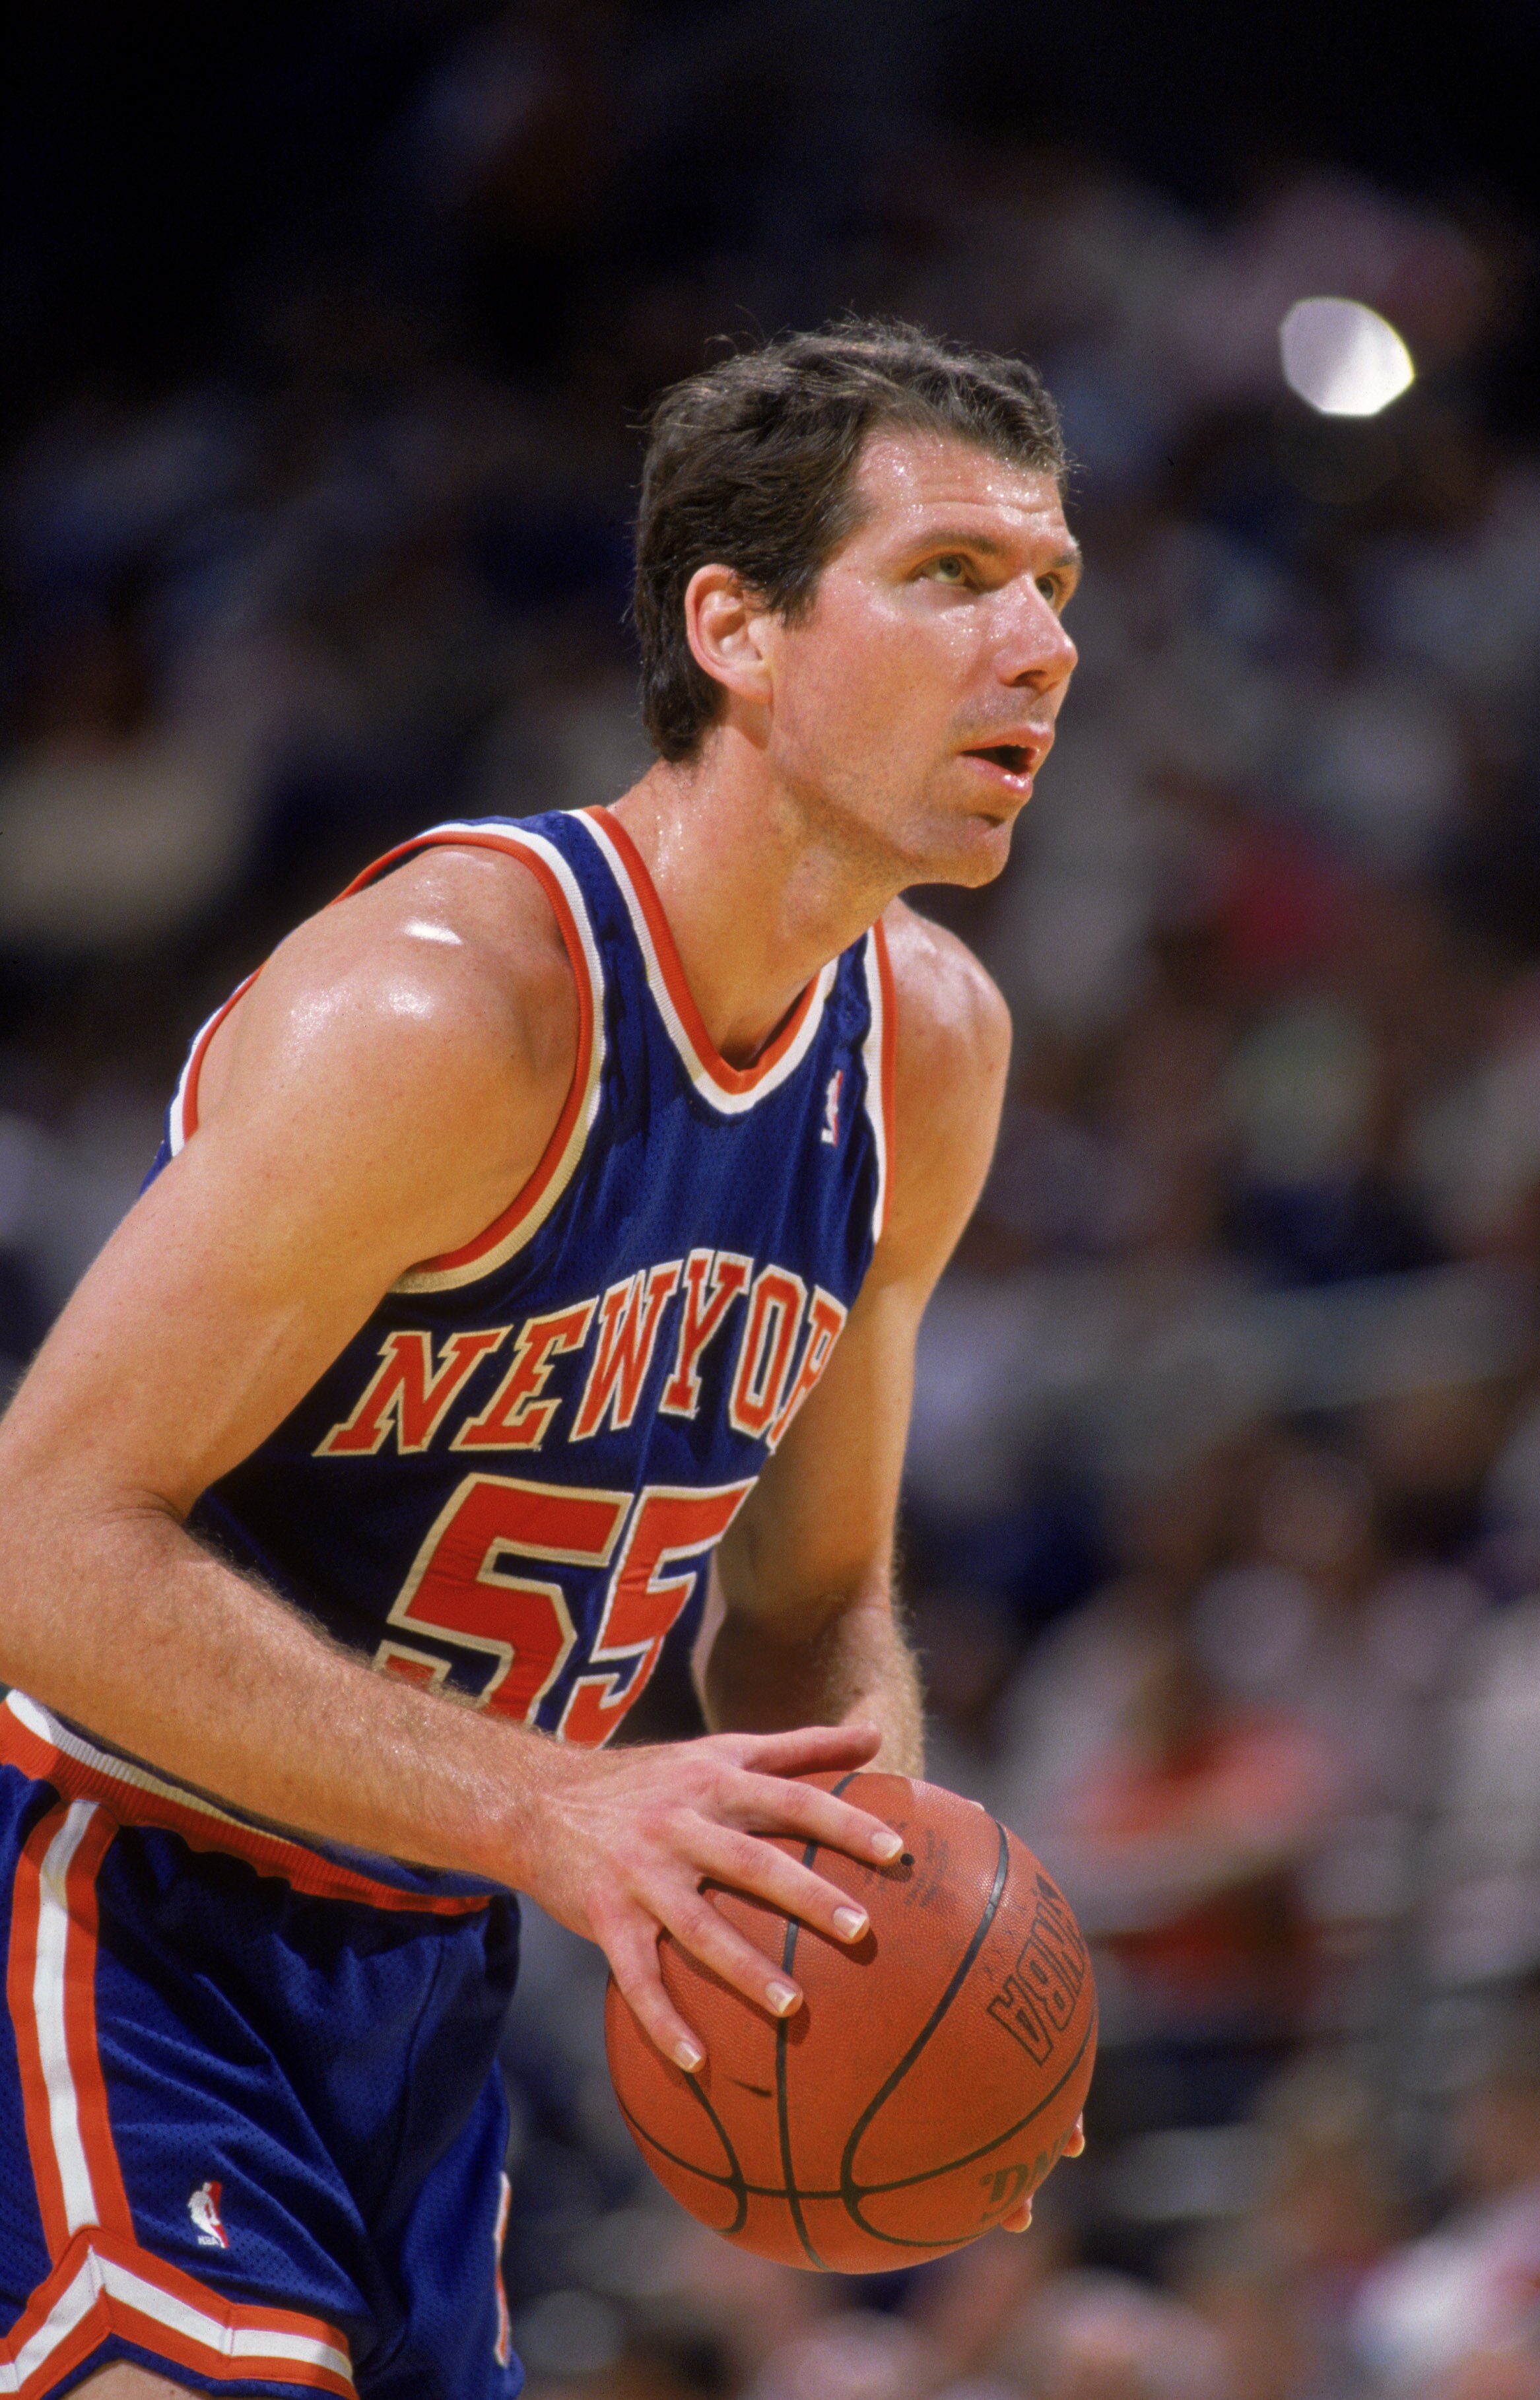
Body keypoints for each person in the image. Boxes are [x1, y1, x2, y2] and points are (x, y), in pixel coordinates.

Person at [0, 319, 1083, 2396]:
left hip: (426, 1961)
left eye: (1053, 589)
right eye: (951, 576)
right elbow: (42, 1537)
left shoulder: (925, 1056)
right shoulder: (453, 1015)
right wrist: (563, 1809)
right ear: (736, 629)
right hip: (97, 1879)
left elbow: (805, 1610)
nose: (1033, 645)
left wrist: (848, 1934)